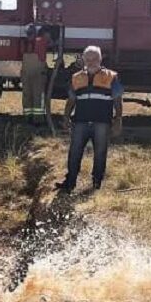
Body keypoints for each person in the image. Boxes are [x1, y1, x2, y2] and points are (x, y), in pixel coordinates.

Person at [55, 46, 123, 193]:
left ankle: (96, 183)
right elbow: (71, 100)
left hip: (102, 122)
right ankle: (70, 182)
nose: (91, 62)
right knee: (74, 152)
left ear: (100, 59)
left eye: (94, 59)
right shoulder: (77, 77)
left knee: (100, 153)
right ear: (83, 60)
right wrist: (66, 118)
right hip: (80, 122)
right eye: (88, 59)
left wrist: (118, 120)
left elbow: (118, 100)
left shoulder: (111, 77)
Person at [20, 25, 49, 125]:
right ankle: (37, 119)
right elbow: (49, 38)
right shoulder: (42, 41)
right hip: (37, 73)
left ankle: (29, 117)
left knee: (28, 95)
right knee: (37, 96)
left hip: (27, 72)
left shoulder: (23, 43)